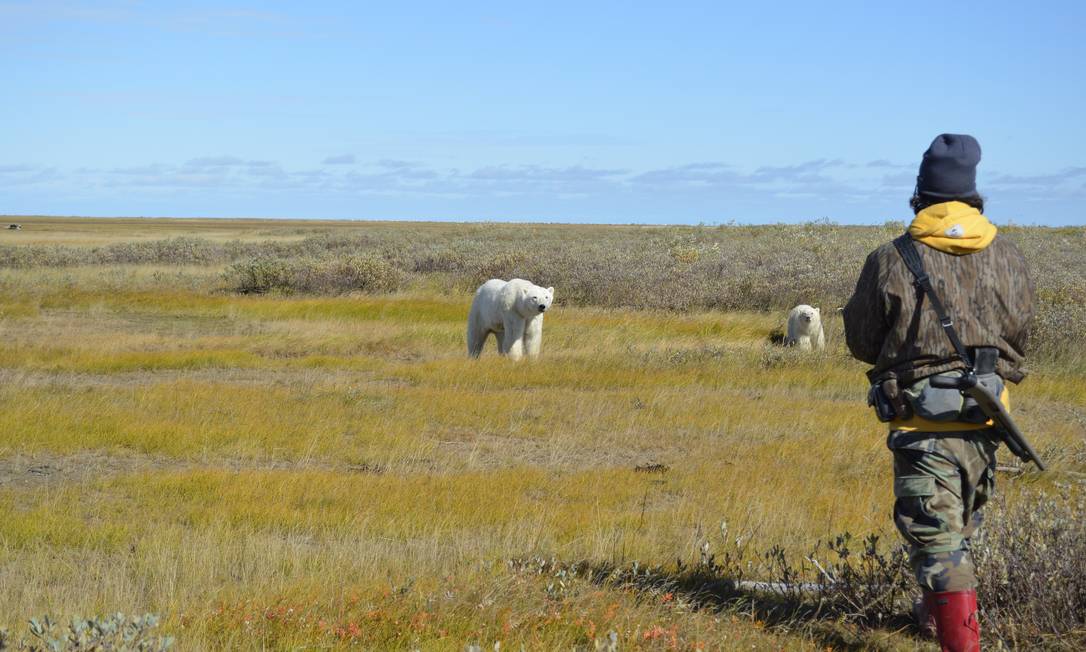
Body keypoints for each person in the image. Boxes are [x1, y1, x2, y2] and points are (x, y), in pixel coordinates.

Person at [842, 134, 1035, 651]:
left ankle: (959, 644)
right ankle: (932, 625)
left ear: (920, 194)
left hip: (920, 424)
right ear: (974, 194)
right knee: (956, 528)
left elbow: (861, 341)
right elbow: (1020, 339)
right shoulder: (1010, 257)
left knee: (937, 536)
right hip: (987, 420)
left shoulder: (889, 259)